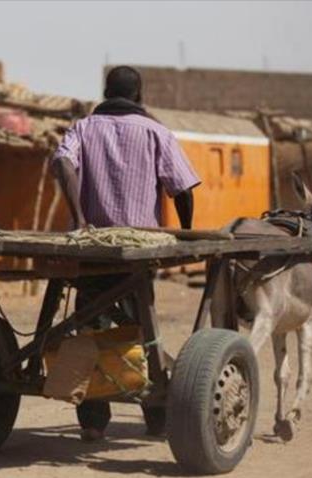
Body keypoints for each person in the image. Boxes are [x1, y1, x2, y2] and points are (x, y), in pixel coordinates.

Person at [51, 65, 200, 442]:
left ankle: (93, 422)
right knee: (141, 329)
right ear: (138, 95)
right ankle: (155, 415)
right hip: (138, 254)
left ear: (105, 91)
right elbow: (183, 189)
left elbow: (62, 162)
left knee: (89, 326)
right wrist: (185, 233)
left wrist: (80, 219)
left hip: (92, 252)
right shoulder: (156, 132)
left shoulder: (83, 127)